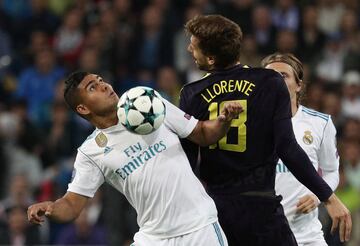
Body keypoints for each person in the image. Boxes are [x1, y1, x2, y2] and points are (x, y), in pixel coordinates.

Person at [180, 14, 351, 246]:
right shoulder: (268, 82)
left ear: (210, 58)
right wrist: (329, 198)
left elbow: (186, 166)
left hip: (219, 212)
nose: (190, 48)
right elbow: (287, 148)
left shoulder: (192, 93)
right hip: (262, 207)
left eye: (194, 45)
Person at [27, 71, 243, 246]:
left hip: (199, 227)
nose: (104, 86)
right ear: (83, 108)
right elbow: (72, 206)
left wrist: (223, 121)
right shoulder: (90, 152)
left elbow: (203, 134)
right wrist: (51, 208)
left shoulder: (147, 101)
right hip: (153, 237)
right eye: (92, 87)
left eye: (101, 80)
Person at [262, 53, 339, 246]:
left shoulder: (320, 123)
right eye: (270, 76)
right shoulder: (249, 125)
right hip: (264, 234)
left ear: (299, 85)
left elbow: (331, 171)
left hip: (307, 235)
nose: (276, 81)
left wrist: (317, 196)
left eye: (283, 75)